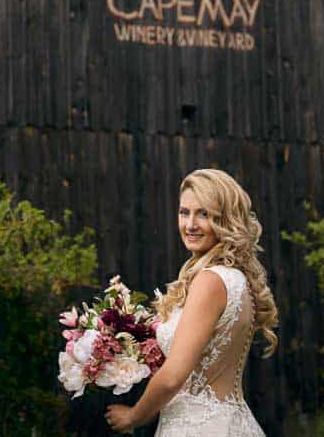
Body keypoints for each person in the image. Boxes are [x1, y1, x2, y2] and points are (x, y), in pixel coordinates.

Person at [104, 168, 278, 436]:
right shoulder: (236, 278)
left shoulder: (210, 281)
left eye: (204, 214)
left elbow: (174, 375)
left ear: (226, 220)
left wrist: (133, 416)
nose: (190, 224)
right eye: (185, 212)